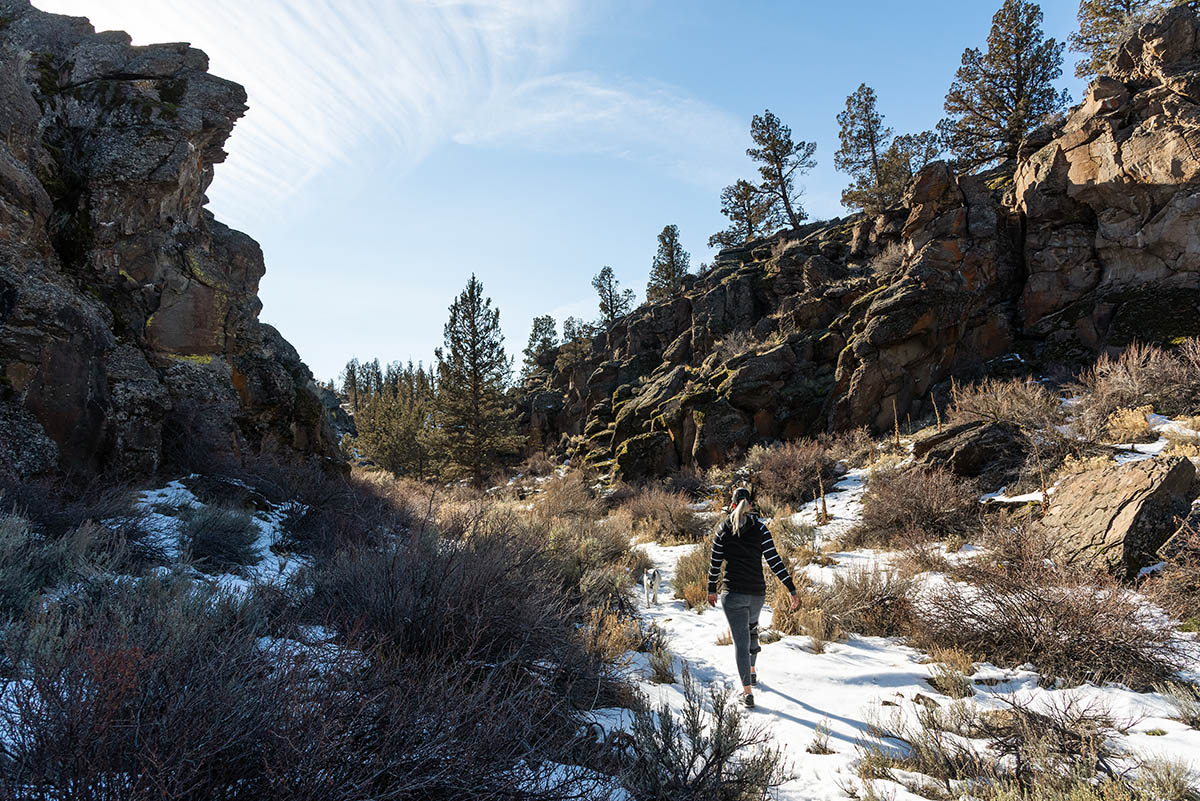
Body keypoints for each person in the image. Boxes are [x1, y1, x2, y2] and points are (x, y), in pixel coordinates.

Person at [707, 486, 799, 708]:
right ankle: (752, 671)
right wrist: (791, 588)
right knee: (752, 629)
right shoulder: (761, 528)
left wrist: (711, 589)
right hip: (757, 592)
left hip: (733, 593)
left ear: (732, 504)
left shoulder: (723, 529)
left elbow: (715, 563)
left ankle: (747, 692)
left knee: (741, 641)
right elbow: (774, 561)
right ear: (750, 504)